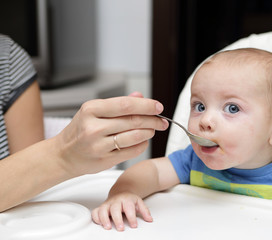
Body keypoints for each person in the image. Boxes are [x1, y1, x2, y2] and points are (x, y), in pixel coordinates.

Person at [91, 48, 272, 231]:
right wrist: (123, 193)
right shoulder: (194, 160)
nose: (205, 120)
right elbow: (150, 171)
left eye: (232, 108)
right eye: (199, 105)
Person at [0, 34, 169, 212]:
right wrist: (62, 155)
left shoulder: (9, 58)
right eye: (198, 107)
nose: (203, 121)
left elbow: (27, 188)